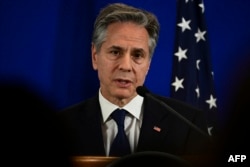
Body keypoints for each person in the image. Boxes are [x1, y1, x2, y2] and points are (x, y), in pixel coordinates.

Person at [57, 3, 211, 160]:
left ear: (148, 63)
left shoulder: (188, 125)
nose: (125, 66)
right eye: (115, 52)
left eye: (137, 55)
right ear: (95, 56)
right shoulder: (60, 127)